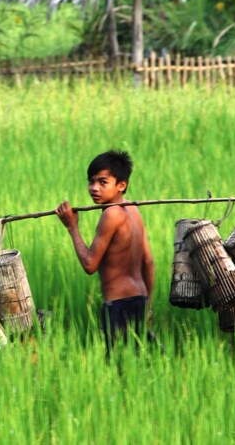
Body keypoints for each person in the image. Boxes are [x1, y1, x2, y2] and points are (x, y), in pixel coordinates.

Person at [55, 150, 155, 354]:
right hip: (139, 299)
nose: (94, 188)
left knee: (118, 367)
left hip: (119, 304)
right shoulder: (134, 210)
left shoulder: (111, 215)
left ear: (121, 185)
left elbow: (90, 265)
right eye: (91, 181)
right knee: (136, 362)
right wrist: (148, 304)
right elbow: (148, 262)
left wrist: (72, 227)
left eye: (102, 182)